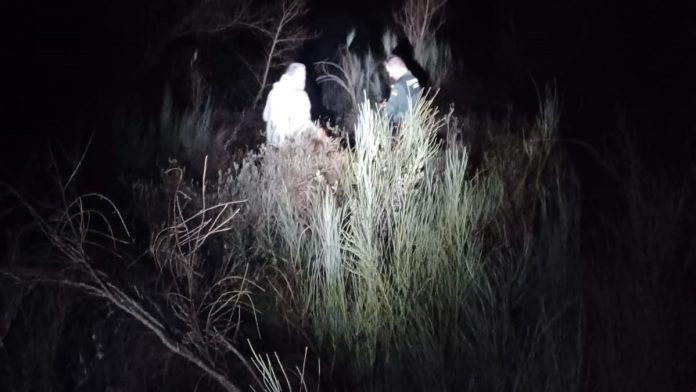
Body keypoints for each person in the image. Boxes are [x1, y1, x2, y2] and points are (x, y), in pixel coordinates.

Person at [262, 63, 318, 147]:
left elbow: (265, 117)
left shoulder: (273, 92)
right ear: (293, 76)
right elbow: (304, 124)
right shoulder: (301, 96)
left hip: (272, 148)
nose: (304, 79)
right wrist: (318, 132)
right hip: (290, 150)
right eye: (302, 76)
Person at [381, 55, 423, 123]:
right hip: (415, 121)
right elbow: (406, 99)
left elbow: (389, 113)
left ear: (396, 68)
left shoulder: (399, 86)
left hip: (401, 125)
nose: (390, 75)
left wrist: (383, 108)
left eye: (390, 71)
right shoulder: (414, 79)